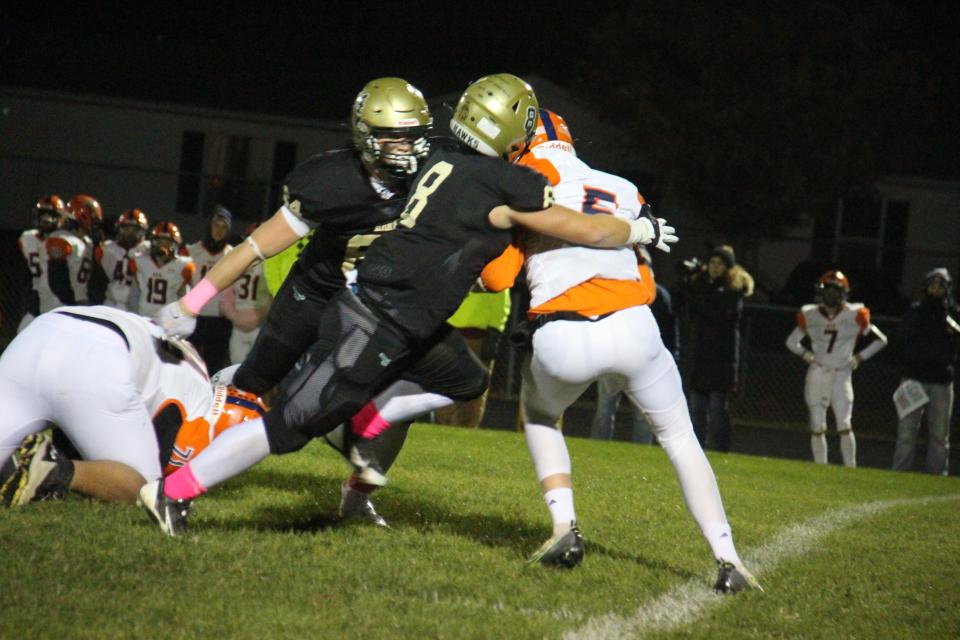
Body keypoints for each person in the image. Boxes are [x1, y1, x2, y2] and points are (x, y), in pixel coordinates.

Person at [139, 73, 675, 542]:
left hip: (405, 318)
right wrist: (641, 228)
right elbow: (584, 228)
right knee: (287, 427)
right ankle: (173, 491)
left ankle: (373, 417)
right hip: (373, 320)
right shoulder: (503, 181)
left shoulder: (439, 159)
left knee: (465, 378)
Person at [156, 77, 460, 526]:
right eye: (395, 136)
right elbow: (255, 248)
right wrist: (191, 303)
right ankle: (190, 443)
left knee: (393, 404)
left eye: (415, 135)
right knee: (254, 383)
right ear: (366, 137)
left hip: (372, 308)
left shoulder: (437, 176)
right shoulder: (332, 182)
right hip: (314, 295)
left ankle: (356, 497)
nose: (408, 148)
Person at [482, 108, 756, 592]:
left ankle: (564, 528)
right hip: (633, 326)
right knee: (680, 438)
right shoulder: (624, 187)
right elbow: (648, 279)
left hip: (561, 331)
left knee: (542, 416)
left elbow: (496, 278)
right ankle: (728, 558)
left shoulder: (521, 183)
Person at [0, 305, 266, 506]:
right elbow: (164, 476)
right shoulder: (200, 411)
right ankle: (52, 470)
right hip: (98, 358)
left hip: (40, 331)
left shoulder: (194, 368)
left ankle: (35, 461)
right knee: (143, 489)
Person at [786, 270, 888, 467]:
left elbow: (881, 340)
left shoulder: (854, 314)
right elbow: (791, 342)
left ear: (844, 292)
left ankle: (850, 469)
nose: (832, 294)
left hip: (841, 373)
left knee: (844, 423)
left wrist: (859, 357)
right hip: (818, 371)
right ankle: (820, 468)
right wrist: (807, 355)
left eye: (836, 290)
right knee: (817, 424)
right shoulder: (811, 315)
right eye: (828, 289)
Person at [590, 247, 678, 444]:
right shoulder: (615, 289)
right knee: (605, 409)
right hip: (613, 358)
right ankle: (596, 448)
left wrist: (671, 356)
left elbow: (669, 330)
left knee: (642, 415)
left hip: (644, 363)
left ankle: (641, 451)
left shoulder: (659, 296)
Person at [680, 245, 754, 452]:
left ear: (729, 268)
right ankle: (696, 451)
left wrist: (694, 293)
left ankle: (721, 451)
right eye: (712, 262)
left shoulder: (733, 291)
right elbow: (685, 308)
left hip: (722, 360)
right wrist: (687, 283)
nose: (715, 267)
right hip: (700, 357)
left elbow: (716, 313)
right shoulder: (702, 286)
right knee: (696, 410)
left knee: (718, 411)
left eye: (720, 263)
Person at [892, 268, 959, 475]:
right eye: (932, 285)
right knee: (906, 432)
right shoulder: (915, 310)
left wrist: (953, 327)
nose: (936, 289)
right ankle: (899, 473)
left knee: (940, 435)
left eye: (940, 286)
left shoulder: (954, 313)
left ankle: (937, 474)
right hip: (914, 378)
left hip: (941, 381)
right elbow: (901, 336)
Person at [435, 289, 512, 427]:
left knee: (473, 390)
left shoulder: (489, 271)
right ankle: (447, 425)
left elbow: (501, 301)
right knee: (445, 384)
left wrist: (495, 332)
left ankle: (464, 427)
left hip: (474, 337)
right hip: (451, 333)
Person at [185, 206, 235, 373]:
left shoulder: (232, 254)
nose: (219, 231)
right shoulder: (191, 251)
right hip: (195, 317)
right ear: (209, 226)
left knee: (214, 369)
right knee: (186, 364)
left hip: (220, 320)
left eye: (224, 227)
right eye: (216, 226)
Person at [221, 223, 273, 365]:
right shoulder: (238, 262)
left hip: (260, 326)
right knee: (234, 371)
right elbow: (227, 293)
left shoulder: (271, 264)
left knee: (257, 372)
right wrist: (234, 316)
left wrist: (262, 314)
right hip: (239, 326)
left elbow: (274, 294)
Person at [16, 195, 66, 331]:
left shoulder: (65, 241)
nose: (46, 219)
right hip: (36, 296)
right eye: (43, 214)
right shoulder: (27, 238)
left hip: (60, 297)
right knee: (23, 332)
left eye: (50, 215)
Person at [129, 221, 196, 320]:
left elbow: (184, 298)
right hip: (143, 318)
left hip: (167, 321)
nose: (163, 246)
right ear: (153, 242)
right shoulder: (140, 262)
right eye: (160, 242)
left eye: (168, 242)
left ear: (176, 244)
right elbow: (134, 296)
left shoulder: (183, 266)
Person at [95, 208, 151, 310]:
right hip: (110, 303)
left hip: (136, 306)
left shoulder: (149, 251)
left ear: (143, 231)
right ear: (119, 229)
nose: (129, 234)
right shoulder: (106, 249)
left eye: (134, 230)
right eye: (126, 229)